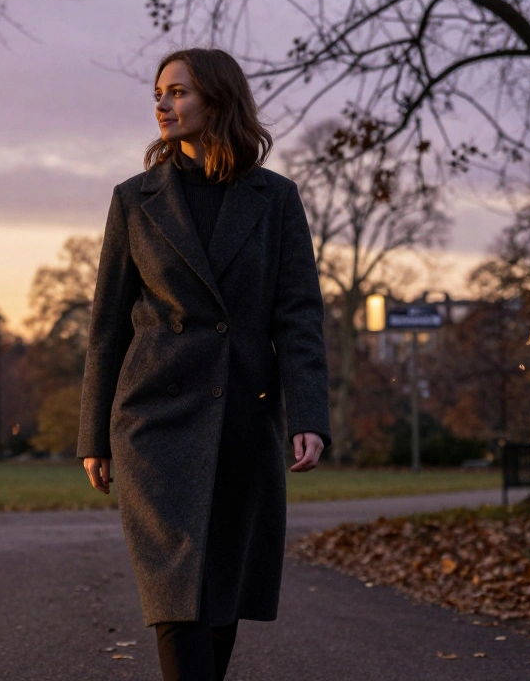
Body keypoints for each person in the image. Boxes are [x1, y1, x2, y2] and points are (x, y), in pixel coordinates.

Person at [76, 47, 332, 681]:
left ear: (218, 100)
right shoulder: (134, 200)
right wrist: (93, 435)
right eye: (158, 93)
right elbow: (106, 327)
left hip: (244, 412)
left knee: (221, 590)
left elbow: (298, 316)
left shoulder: (275, 199)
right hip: (154, 419)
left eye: (179, 92)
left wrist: (308, 415)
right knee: (175, 590)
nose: (162, 105)